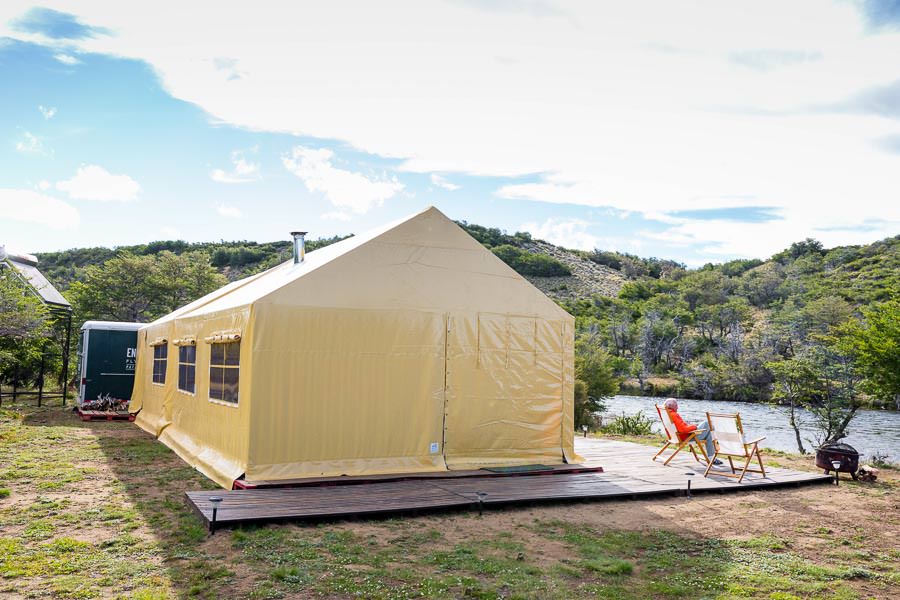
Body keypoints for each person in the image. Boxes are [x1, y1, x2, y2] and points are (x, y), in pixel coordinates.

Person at [663, 398, 722, 465]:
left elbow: (681, 427)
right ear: (670, 406)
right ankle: (712, 455)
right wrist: (695, 427)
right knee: (707, 423)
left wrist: (689, 426)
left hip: (678, 436)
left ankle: (711, 457)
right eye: (676, 405)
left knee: (710, 434)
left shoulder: (667, 414)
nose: (678, 407)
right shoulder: (674, 415)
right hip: (687, 437)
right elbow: (683, 429)